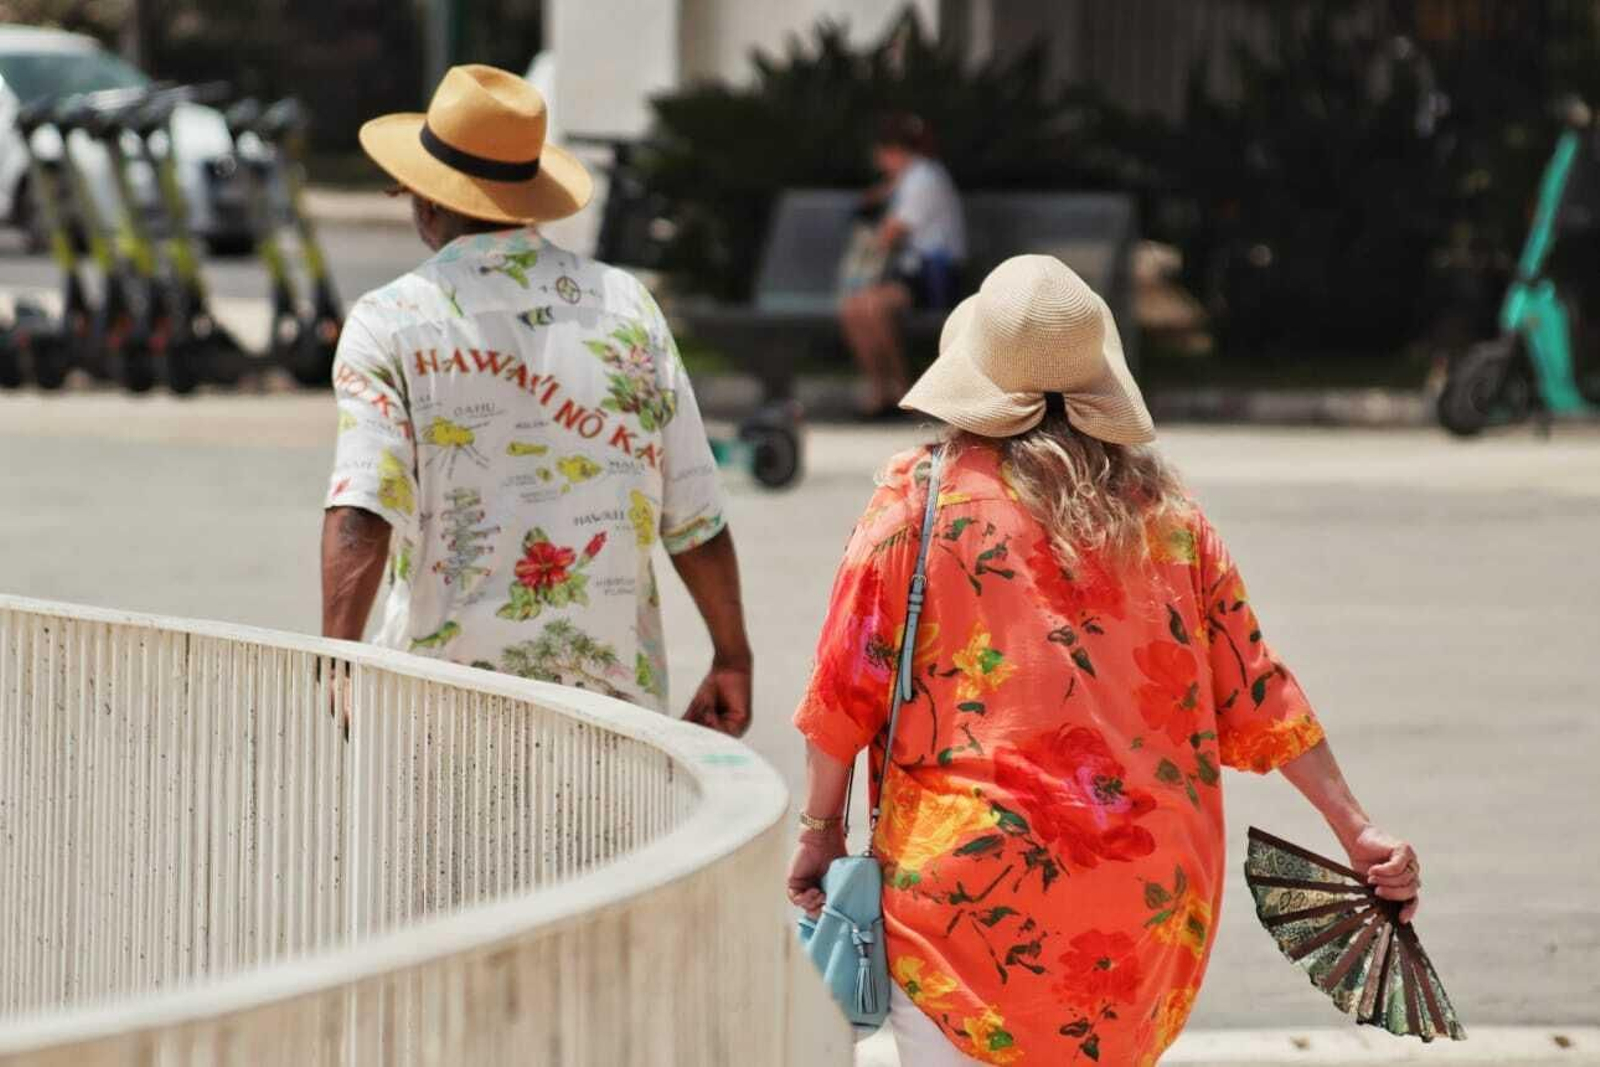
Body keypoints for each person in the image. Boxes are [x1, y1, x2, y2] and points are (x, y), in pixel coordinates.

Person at [787, 256, 1422, 1064]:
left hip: (963, 904)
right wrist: (1358, 829)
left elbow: (844, 690)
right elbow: (1261, 692)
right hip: (1137, 910)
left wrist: (818, 832)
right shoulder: (1171, 522)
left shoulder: (921, 505)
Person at [320, 64, 751, 736]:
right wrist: (732, 653)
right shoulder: (626, 306)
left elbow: (364, 507)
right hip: (613, 720)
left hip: (440, 712)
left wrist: (339, 657)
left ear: (427, 200)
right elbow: (694, 510)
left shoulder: (390, 320)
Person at [839, 113, 967, 420]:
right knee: (852, 309)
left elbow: (891, 234)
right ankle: (880, 389)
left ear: (892, 151)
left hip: (934, 276)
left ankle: (904, 390)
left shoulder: (924, 178)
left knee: (872, 307)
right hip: (912, 275)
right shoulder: (910, 177)